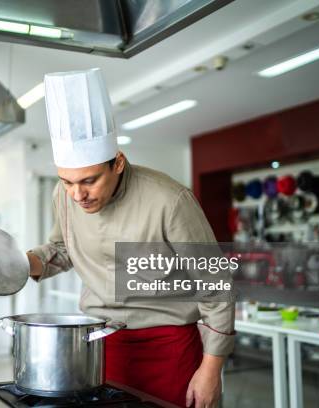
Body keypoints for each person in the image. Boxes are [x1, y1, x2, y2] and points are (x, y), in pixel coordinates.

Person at [27, 68, 235, 408]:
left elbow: (216, 283)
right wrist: (21, 264)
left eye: (90, 180)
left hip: (168, 346)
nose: (77, 195)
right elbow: (62, 249)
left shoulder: (169, 200)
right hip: (99, 344)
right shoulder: (63, 195)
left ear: (118, 163)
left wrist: (211, 370)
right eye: (67, 181)